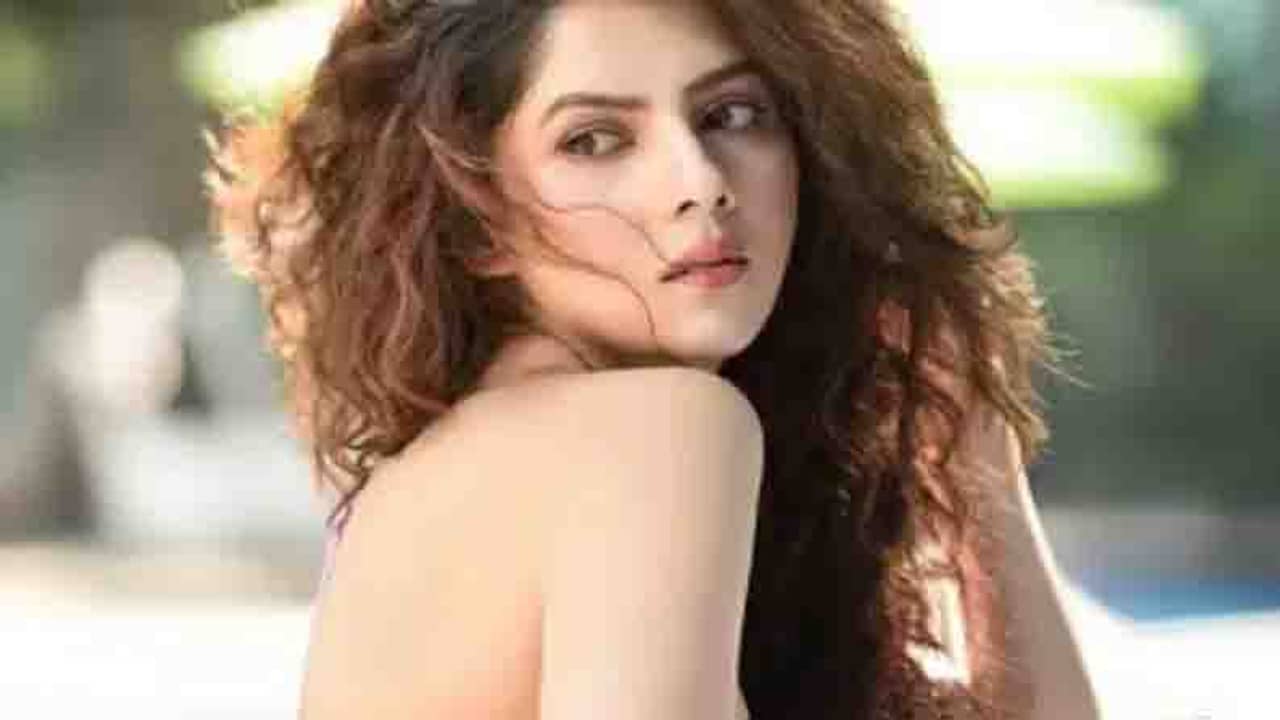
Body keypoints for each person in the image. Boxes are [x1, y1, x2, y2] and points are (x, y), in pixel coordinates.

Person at [206, 1, 1100, 718]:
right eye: (595, 139)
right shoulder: (654, 431)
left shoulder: (457, 465)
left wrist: (971, 438)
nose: (700, 181)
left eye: (732, 115)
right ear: (479, 215)